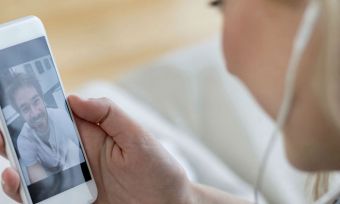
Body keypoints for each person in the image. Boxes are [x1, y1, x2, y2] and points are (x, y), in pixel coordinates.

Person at [1, 0, 340, 203]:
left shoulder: (60, 116)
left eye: (221, 3)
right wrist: (182, 199)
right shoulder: (28, 138)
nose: (230, 64)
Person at [6, 74, 83, 184]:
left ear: (42, 99)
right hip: (50, 173)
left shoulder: (61, 116)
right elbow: (39, 178)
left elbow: (82, 146)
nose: (35, 113)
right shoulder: (23, 141)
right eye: (25, 108)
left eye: (36, 101)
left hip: (69, 160)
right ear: (21, 114)